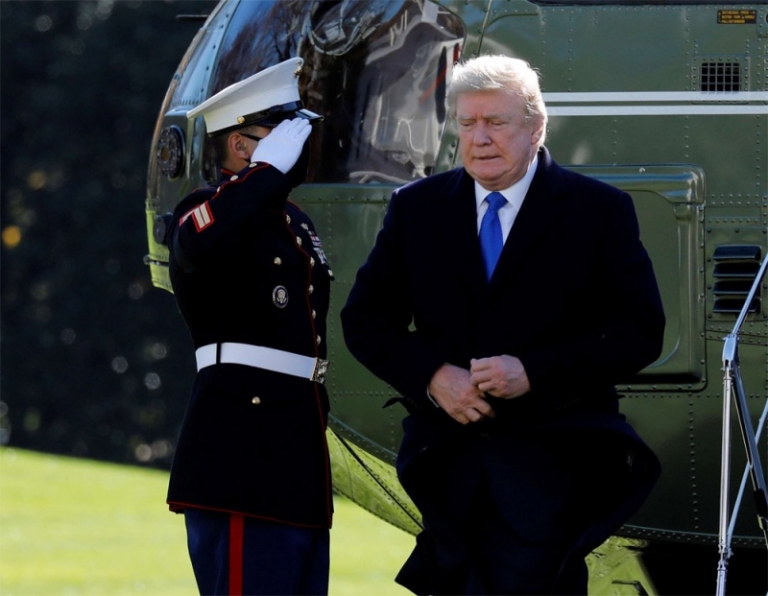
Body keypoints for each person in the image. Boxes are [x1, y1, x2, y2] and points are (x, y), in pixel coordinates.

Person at [341, 54, 665, 595]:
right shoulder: (416, 209)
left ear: (536, 127)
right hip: (447, 463)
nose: (480, 138)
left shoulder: (597, 210)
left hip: (554, 462)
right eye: (468, 123)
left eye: (496, 122)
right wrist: (434, 376)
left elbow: (639, 330)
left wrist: (534, 372)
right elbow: (366, 320)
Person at [164, 58, 334, 596]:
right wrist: (263, 176)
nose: (300, 148)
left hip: (297, 448)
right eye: (282, 135)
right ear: (241, 145)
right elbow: (195, 243)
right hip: (242, 449)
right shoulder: (204, 211)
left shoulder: (294, 223)